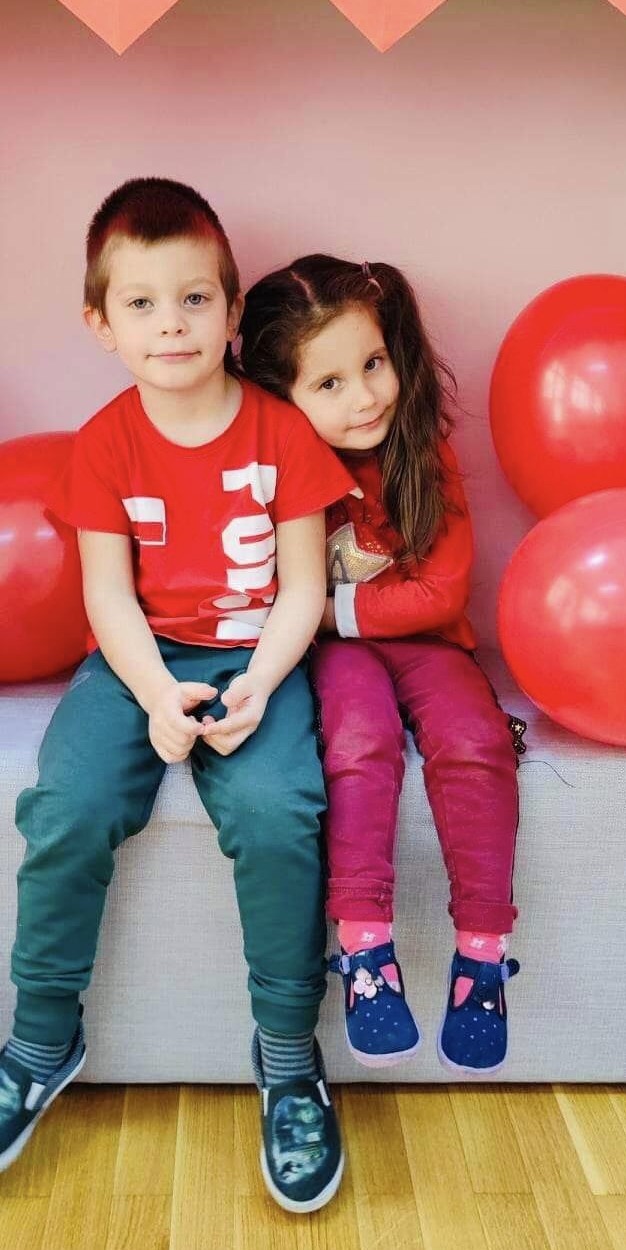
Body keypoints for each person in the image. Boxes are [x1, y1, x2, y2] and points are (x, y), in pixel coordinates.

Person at [0, 181, 353, 1212]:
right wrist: (159, 694)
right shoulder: (106, 443)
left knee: (279, 813)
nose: (172, 325)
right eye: (142, 304)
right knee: (67, 806)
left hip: (257, 653)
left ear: (231, 307)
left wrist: (258, 683)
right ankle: (40, 1043)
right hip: (138, 660)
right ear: (101, 324)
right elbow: (107, 596)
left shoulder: (283, 435)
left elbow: (305, 588)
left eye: (195, 299)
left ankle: (288, 1056)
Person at [239, 253, 524, 1074]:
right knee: (359, 743)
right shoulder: (276, 470)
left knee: (475, 741)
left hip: (427, 647)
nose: (364, 396)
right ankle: (366, 953)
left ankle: (482, 959)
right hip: (334, 659)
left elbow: (441, 594)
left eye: (372, 364)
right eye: (329, 383)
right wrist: (323, 624)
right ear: (281, 395)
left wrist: (323, 610)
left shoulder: (422, 451)